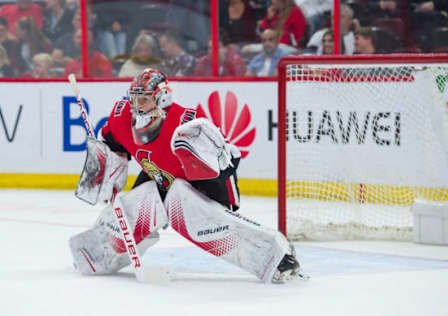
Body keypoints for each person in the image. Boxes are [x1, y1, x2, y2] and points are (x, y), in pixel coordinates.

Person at [69, 68, 303, 283]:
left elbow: (229, 160)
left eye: (144, 99)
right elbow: (113, 145)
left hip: (203, 187)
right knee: (137, 203)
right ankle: (96, 253)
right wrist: (105, 165)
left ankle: (276, 257)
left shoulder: (187, 123)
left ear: (162, 98)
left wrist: (223, 199)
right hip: (160, 179)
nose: (136, 106)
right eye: (134, 98)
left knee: (191, 209)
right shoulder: (122, 119)